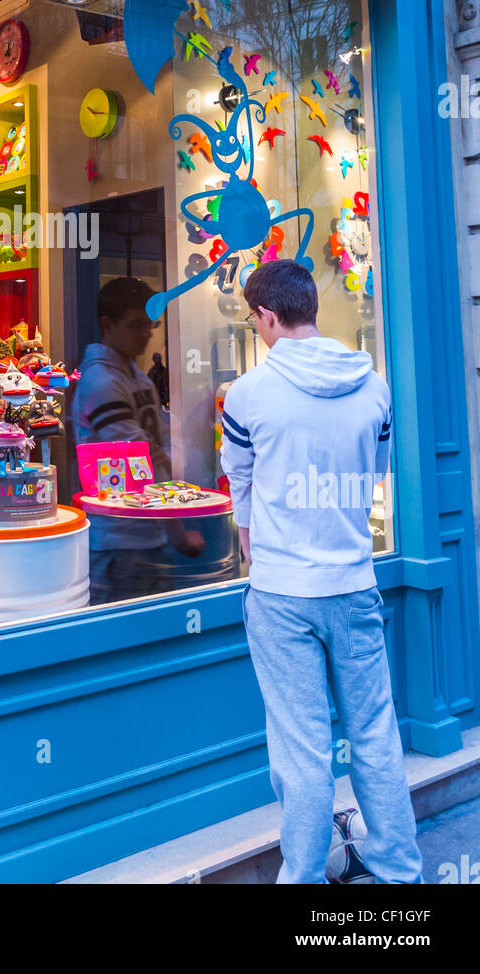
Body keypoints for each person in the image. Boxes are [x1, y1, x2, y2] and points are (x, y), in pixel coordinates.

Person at [220, 259, 421, 885]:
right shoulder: (375, 386)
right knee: (376, 734)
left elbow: (242, 489)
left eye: (256, 320)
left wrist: (258, 555)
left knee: (301, 748)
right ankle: (396, 868)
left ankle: (302, 878)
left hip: (282, 593)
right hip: (354, 583)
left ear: (269, 317)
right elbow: (375, 475)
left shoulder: (249, 394)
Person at [74, 277, 203, 604]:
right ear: (108, 324)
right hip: (120, 541)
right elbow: (142, 462)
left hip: (147, 533)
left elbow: (153, 457)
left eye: (150, 325)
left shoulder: (135, 376)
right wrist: (179, 535)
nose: (146, 335)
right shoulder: (102, 381)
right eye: (135, 325)